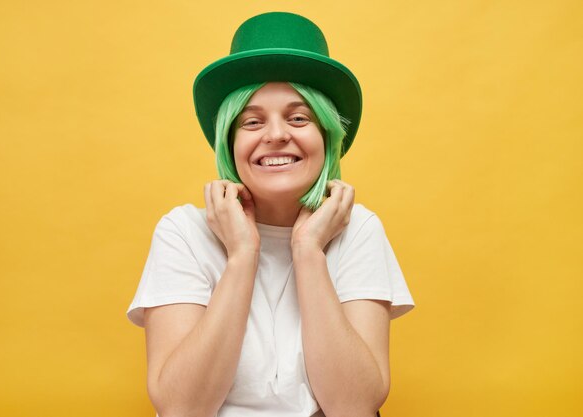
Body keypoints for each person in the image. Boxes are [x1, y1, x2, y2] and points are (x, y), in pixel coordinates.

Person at [127, 11, 415, 417]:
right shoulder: (182, 231)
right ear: (229, 142)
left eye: (299, 117)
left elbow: (354, 406)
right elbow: (182, 408)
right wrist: (243, 254)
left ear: (327, 135)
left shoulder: (359, 230)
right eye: (252, 121)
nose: (276, 135)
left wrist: (308, 249)